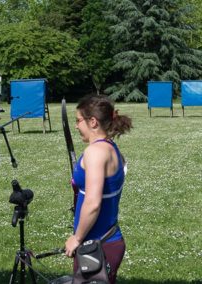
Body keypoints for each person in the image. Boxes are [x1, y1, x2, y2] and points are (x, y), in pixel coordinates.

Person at [64, 95, 132, 284]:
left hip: (98, 245)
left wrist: (77, 238)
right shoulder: (110, 147)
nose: (76, 126)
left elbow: (93, 203)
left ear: (93, 122)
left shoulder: (96, 152)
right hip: (102, 243)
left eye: (78, 120)